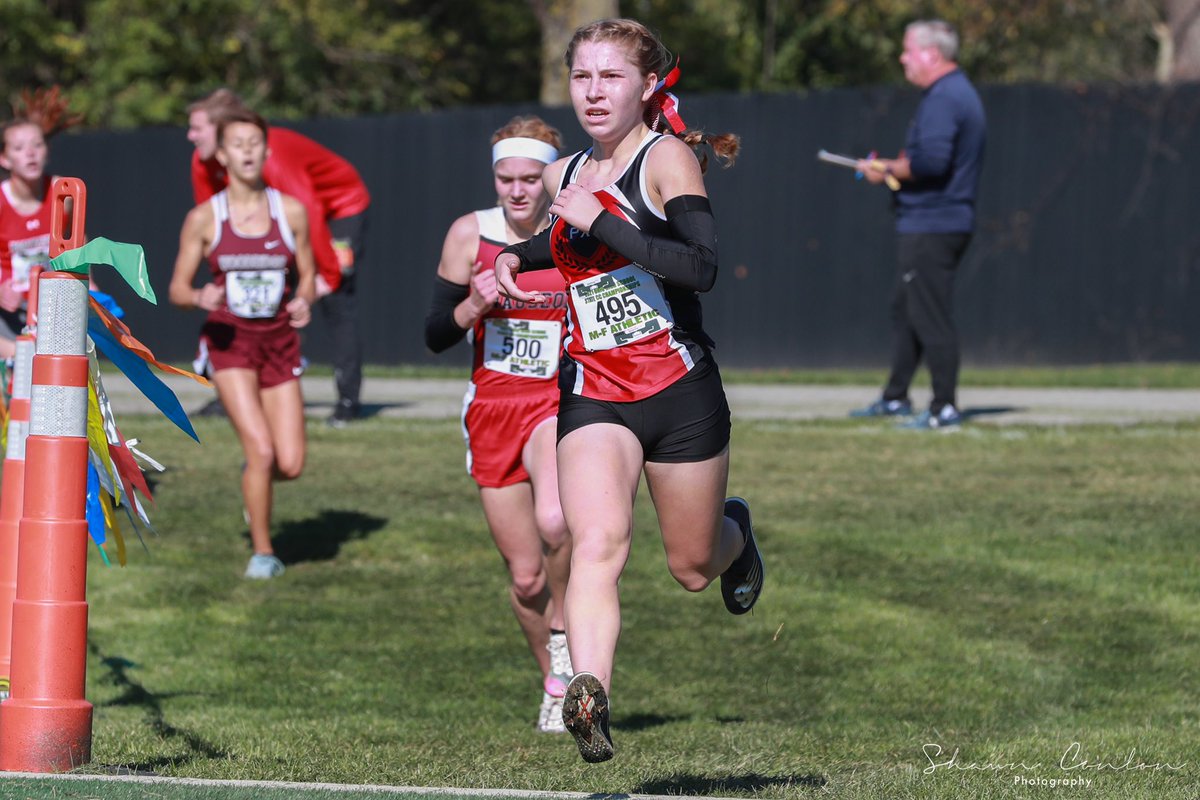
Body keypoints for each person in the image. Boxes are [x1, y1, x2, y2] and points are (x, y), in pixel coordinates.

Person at [494, 18, 764, 763]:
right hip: (595, 391)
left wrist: (603, 220)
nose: (593, 92)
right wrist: (518, 258)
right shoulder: (563, 172)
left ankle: (738, 538)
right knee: (596, 544)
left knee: (691, 567)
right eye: (581, 76)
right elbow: (567, 245)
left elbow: (700, 266)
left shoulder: (665, 158)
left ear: (647, 86)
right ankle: (590, 696)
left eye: (610, 77)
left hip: (678, 389)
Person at [424, 116, 574, 733]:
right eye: (506, 178)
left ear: (550, 178)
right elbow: (435, 334)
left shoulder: (574, 232)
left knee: (557, 520)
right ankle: (555, 681)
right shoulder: (471, 234)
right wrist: (474, 303)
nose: (517, 191)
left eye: (530, 179)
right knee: (525, 575)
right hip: (491, 409)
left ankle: (567, 634)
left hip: (555, 402)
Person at [169, 107, 316, 579]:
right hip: (229, 342)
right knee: (263, 451)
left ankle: (255, 478)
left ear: (267, 151)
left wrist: (304, 299)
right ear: (223, 155)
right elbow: (176, 289)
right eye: (238, 144)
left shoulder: (290, 211)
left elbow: (308, 274)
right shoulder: (204, 218)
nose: (248, 152)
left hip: (279, 342)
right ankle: (263, 553)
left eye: (255, 143)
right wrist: (199, 296)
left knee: (290, 463)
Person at [187, 89, 370, 427]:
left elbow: (309, 211)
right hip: (289, 216)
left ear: (222, 127)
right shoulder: (202, 161)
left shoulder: (271, 156)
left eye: (198, 128)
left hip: (339, 209)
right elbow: (212, 221)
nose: (191, 136)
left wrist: (328, 276)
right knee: (244, 302)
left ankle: (348, 401)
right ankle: (231, 393)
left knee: (337, 300)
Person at [849, 19, 986, 430]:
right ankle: (896, 397)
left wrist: (886, 169)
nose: (902, 58)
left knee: (929, 315)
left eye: (908, 50)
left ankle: (944, 407)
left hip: (934, 224)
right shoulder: (952, 93)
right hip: (933, 221)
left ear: (932, 53)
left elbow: (931, 162)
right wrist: (894, 167)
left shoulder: (946, 97)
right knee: (908, 310)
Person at [0, 89, 84, 359]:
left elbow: (77, 243)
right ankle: (20, 356)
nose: (30, 154)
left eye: (37, 145)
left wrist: (90, 285)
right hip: (8, 313)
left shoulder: (63, 194)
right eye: (19, 148)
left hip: (52, 308)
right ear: (4, 158)